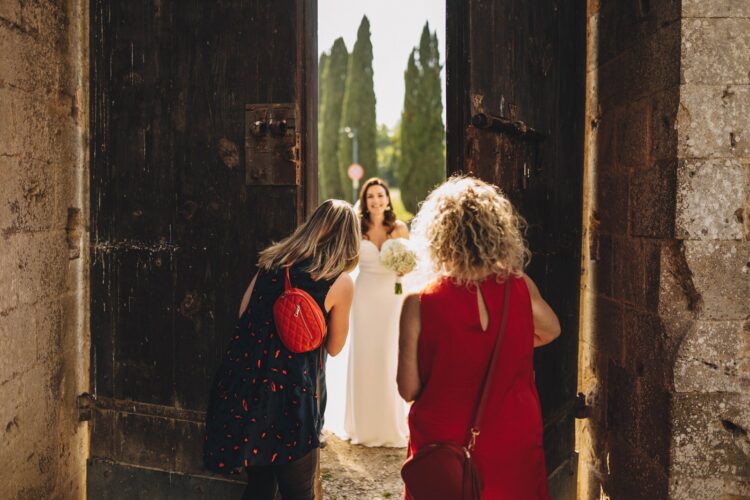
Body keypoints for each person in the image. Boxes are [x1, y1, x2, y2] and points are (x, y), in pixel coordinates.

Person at [397, 176, 561, 500]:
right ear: (497, 231)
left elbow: (408, 389)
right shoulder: (520, 286)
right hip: (513, 437)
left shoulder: (419, 303)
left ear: (438, 235)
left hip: (444, 447)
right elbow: (551, 330)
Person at [204, 199, 360, 500]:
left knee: (260, 485)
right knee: (298, 491)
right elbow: (336, 347)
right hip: (292, 396)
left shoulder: (273, 262)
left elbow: (243, 312)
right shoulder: (339, 281)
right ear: (349, 238)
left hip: (247, 386)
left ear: (313, 226)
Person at [344, 178, 410, 447]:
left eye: (380, 195)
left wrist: (403, 268)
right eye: (370, 196)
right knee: (366, 354)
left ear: (387, 198)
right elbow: (347, 264)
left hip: (392, 297)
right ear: (364, 200)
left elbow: (410, 262)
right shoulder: (356, 228)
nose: (376, 200)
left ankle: (388, 422)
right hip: (364, 297)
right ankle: (364, 424)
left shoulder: (400, 228)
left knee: (390, 354)